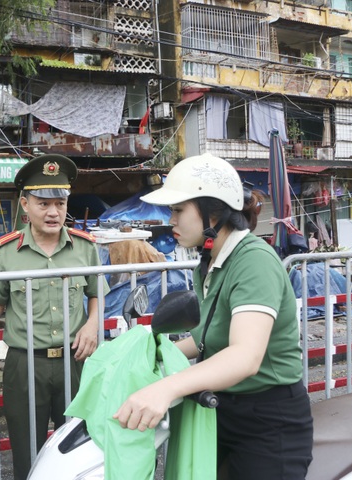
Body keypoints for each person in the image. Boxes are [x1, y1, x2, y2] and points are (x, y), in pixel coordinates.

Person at [114, 153, 313, 479]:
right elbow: (208, 335)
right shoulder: (208, 264)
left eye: (178, 210)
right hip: (222, 409)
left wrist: (166, 388)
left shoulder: (253, 262)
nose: (171, 220)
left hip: (269, 421)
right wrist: (149, 357)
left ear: (212, 211)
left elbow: (245, 357)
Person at [0, 154, 109, 480]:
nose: (53, 212)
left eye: (60, 203)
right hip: (25, 365)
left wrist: (93, 325)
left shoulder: (85, 248)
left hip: (75, 361)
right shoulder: (5, 252)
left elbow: (96, 292)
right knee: (28, 452)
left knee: (82, 446)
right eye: (43, 203)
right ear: (25, 205)